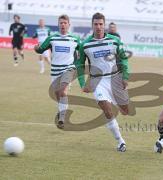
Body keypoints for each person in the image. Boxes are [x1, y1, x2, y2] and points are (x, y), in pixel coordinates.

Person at [75, 12, 130, 152]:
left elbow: (123, 58)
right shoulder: (85, 45)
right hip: (97, 81)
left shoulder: (114, 41)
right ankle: (120, 141)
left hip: (115, 78)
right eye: (95, 24)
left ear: (104, 25)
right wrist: (83, 83)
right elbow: (80, 66)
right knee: (107, 110)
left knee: (125, 111)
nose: (98, 27)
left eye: (100, 24)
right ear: (92, 25)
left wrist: (125, 77)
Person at [34, 15, 81, 129]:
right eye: (61, 23)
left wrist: (77, 65)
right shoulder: (52, 38)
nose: (63, 25)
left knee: (62, 91)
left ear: (69, 25)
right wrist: (37, 48)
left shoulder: (75, 39)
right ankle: (61, 111)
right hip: (55, 70)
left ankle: (62, 118)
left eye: (65, 23)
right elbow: (41, 49)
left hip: (68, 69)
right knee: (57, 94)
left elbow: (83, 52)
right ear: (58, 24)